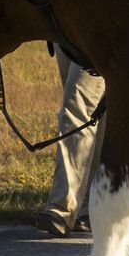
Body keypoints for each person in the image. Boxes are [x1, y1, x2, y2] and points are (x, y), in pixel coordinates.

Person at [39, 47, 104, 236]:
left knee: (77, 106)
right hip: (64, 31)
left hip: (97, 27)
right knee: (98, 113)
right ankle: (92, 205)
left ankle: (62, 208)